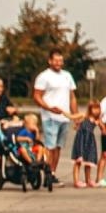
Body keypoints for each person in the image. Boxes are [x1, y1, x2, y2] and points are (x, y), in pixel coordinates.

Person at [33, 48, 77, 186]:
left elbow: (72, 97)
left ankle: (52, 173)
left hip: (64, 117)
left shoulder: (67, 76)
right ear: (50, 61)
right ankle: (45, 173)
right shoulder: (44, 76)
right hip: (50, 117)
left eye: (60, 60)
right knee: (50, 147)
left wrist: (75, 116)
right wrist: (48, 108)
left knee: (58, 147)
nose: (58, 63)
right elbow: (37, 96)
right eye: (56, 60)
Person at [70, 101, 101, 188]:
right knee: (78, 161)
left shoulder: (97, 120)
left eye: (97, 108)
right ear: (90, 109)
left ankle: (88, 180)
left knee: (88, 161)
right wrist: (63, 113)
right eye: (94, 108)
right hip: (81, 140)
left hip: (90, 141)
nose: (96, 110)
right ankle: (76, 181)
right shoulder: (84, 116)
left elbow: (103, 128)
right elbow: (73, 118)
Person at [96, 94, 106, 187]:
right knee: (104, 155)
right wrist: (102, 127)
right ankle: (99, 178)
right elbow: (99, 116)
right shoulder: (105, 101)